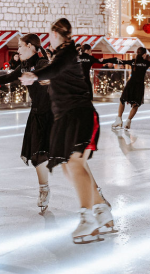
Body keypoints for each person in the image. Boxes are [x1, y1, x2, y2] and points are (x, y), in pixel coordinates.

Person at [21, 18, 111, 243]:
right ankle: (101, 208)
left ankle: (87, 218)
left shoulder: (67, 52)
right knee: (69, 167)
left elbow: (55, 69)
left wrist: (36, 76)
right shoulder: (62, 54)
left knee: (74, 164)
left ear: (54, 34)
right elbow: (56, 72)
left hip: (79, 115)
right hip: (68, 117)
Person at [0, 33, 54, 211]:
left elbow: (49, 71)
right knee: (37, 154)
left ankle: (93, 192)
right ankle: (44, 190)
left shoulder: (41, 63)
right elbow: (7, 78)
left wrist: (44, 77)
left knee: (65, 156)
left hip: (52, 115)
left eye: (20, 45)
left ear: (31, 46)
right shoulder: (24, 65)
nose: (17, 50)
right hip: (37, 114)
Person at [102, 47, 150, 129]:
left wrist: (104, 60)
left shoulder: (133, 61)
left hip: (131, 84)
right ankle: (128, 121)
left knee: (122, 100)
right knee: (136, 104)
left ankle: (119, 119)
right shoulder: (146, 62)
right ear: (144, 54)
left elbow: (118, 61)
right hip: (139, 85)